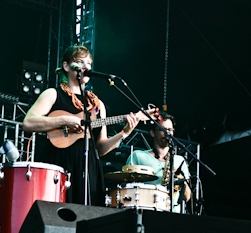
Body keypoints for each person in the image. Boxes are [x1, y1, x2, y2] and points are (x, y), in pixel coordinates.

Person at [23, 45, 140, 206]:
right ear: (66, 66)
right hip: (59, 165)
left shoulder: (98, 105)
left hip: (89, 169)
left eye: (89, 63)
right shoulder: (53, 94)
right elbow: (28, 122)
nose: (86, 67)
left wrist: (123, 133)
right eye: (80, 62)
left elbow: (100, 148)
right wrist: (64, 120)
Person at [125, 111, 191, 213]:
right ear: (152, 133)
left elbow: (187, 197)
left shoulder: (179, 160)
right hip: (146, 212)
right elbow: (127, 189)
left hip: (174, 214)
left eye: (170, 130)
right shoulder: (138, 156)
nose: (167, 133)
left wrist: (180, 179)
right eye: (163, 129)